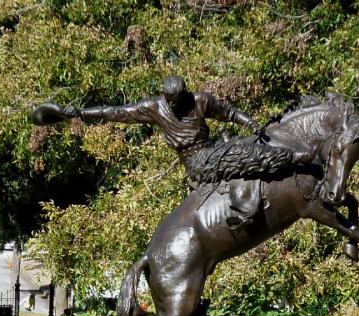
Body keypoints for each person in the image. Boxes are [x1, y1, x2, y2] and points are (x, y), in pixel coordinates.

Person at [32, 76, 315, 225]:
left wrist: (251, 123)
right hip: (198, 161)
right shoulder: (155, 108)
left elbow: (228, 113)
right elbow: (115, 112)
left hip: (214, 148)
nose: (175, 107)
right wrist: (78, 113)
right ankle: (299, 158)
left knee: (250, 146)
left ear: (185, 94)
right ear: (166, 99)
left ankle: (256, 197)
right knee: (246, 157)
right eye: (171, 103)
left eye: (179, 101)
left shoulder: (200, 100)